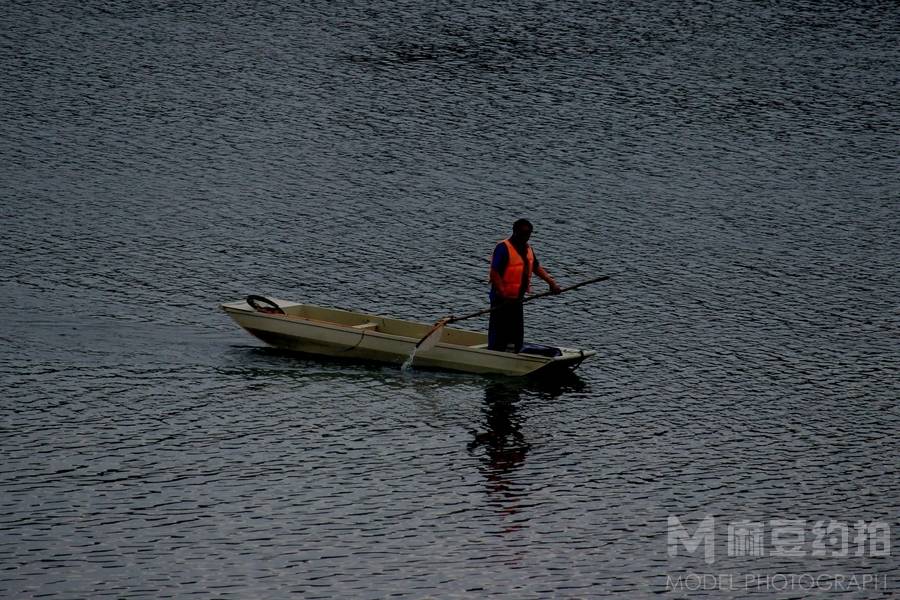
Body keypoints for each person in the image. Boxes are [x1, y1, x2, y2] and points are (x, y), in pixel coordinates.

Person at [488, 219, 561, 352]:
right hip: (501, 299)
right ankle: (494, 353)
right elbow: (494, 273)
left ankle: (514, 353)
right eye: (523, 234)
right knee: (499, 333)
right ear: (515, 232)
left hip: (517, 299)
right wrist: (502, 292)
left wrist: (552, 283)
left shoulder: (528, 249)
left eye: (528, 234)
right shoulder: (503, 248)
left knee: (516, 335)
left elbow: (536, 267)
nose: (525, 237)